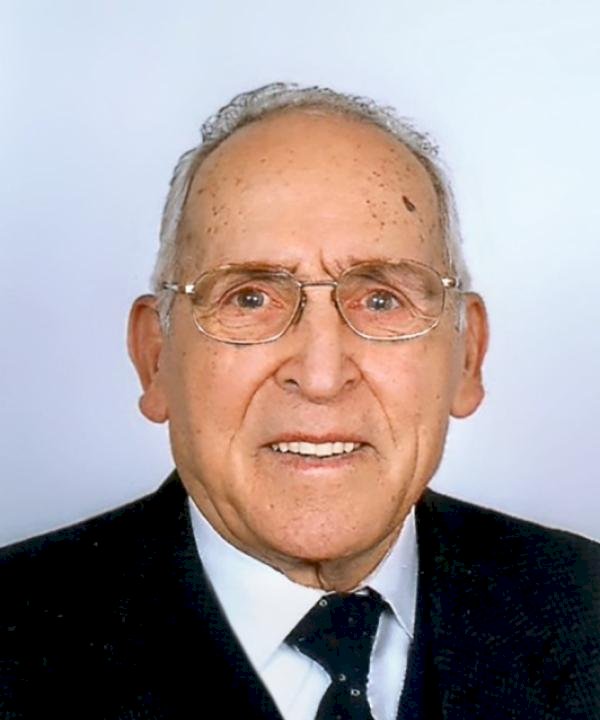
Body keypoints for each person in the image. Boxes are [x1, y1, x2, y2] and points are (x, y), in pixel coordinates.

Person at [1, 83, 598, 720]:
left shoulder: (584, 609)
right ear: (155, 359)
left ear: (467, 357)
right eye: (251, 298)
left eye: (381, 300)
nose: (320, 375)